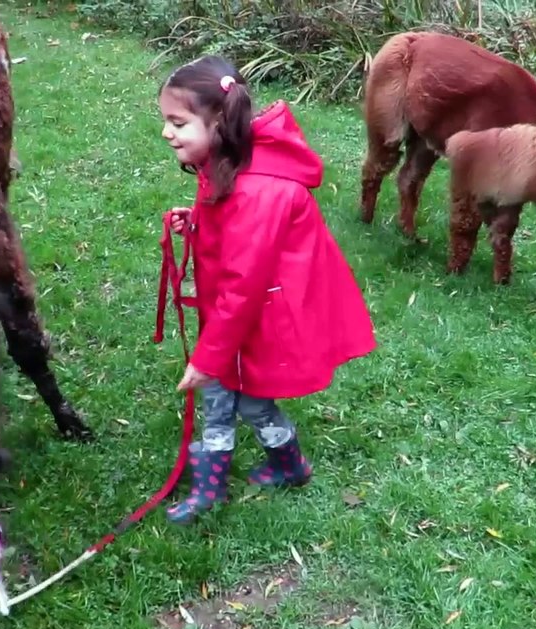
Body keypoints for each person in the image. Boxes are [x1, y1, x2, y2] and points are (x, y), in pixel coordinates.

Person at [155, 55, 377, 525]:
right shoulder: (227, 163)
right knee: (232, 398)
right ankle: (262, 472)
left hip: (256, 315)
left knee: (240, 396)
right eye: (166, 122)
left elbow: (243, 282)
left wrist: (207, 356)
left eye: (178, 122)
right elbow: (234, 239)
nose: (167, 133)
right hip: (245, 313)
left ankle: (270, 470)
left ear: (218, 120)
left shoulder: (257, 191)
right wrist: (196, 224)